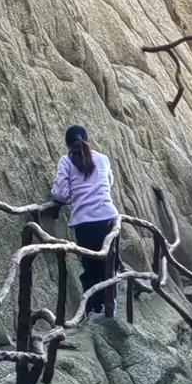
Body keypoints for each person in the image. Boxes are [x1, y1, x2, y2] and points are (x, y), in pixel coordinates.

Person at [50, 124, 120, 315]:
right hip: (109, 219)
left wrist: (73, 196)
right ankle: (111, 310)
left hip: (85, 224)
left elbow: (60, 194)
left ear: (67, 144)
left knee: (91, 271)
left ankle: (92, 312)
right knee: (110, 266)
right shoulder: (103, 159)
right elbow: (109, 182)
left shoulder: (66, 161)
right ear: (88, 140)